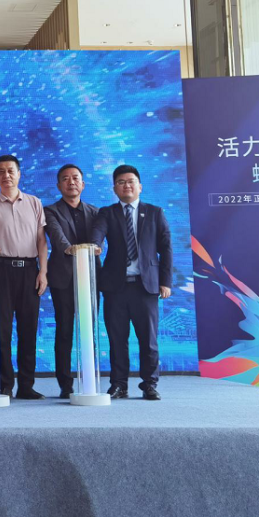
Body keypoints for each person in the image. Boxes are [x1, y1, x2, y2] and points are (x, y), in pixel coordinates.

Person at [90, 164, 172, 401]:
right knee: (117, 339)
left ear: (140, 186)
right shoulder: (107, 213)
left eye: (130, 181)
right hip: (115, 288)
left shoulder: (155, 212)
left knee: (149, 340)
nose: (126, 185)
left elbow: (166, 248)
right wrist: (95, 245)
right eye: (121, 182)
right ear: (114, 188)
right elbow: (98, 233)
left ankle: (149, 384)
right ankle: (119, 384)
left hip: (146, 287)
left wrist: (165, 282)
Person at [0, 155, 49, 399]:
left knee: (29, 330)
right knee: (2, 331)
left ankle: (26, 385)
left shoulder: (35, 202)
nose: (6, 175)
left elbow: (41, 240)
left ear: (19, 174)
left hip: (30, 270)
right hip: (1, 270)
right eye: (1, 171)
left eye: (10, 171)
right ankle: (5, 384)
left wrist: (43, 271)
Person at [44, 164, 101, 399]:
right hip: (63, 279)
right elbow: (57, 238)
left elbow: (98, 238)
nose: (71, 182)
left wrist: (95, 247)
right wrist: (70, 248)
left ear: (83, 184)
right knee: (64, 331)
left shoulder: (96, 212)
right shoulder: (50, 211)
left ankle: (89, 379)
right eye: (66, 179)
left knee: (89, 330)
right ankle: (65, 384)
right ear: (59, 186)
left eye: (75, 178)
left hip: (90, 279)